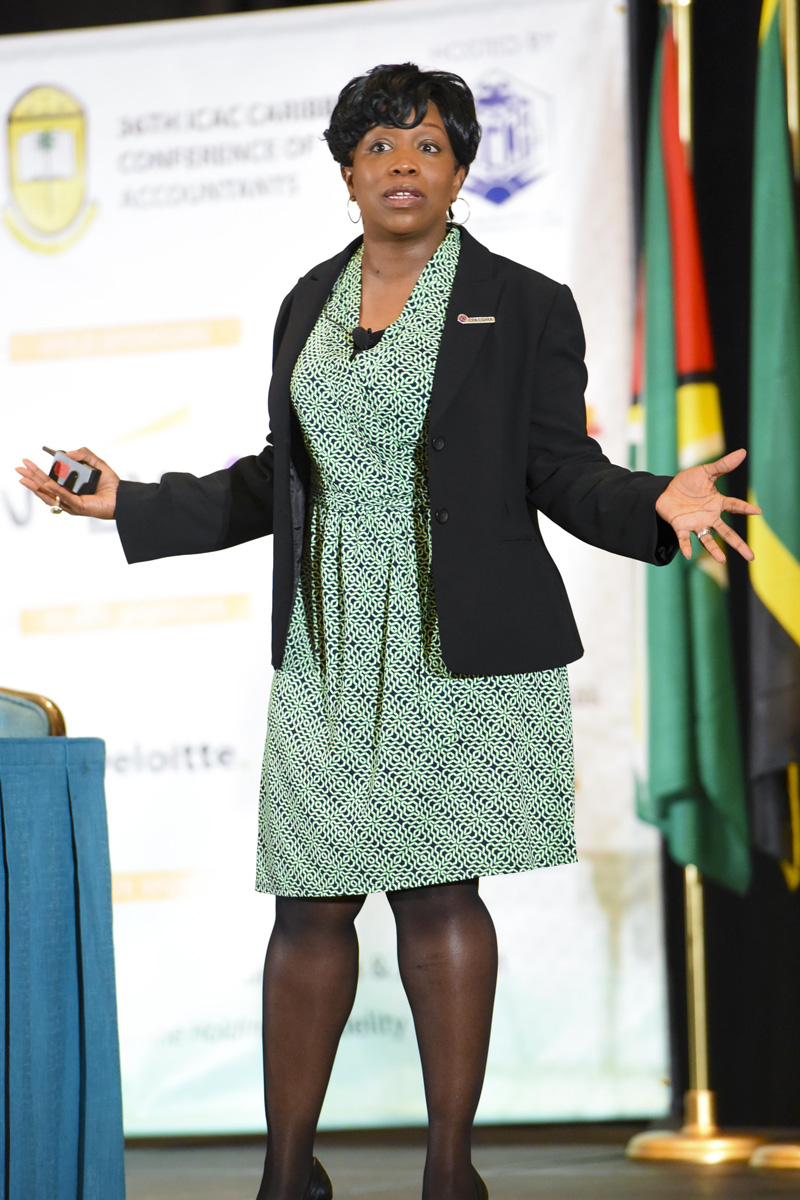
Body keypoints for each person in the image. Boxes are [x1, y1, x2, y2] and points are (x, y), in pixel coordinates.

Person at [17, 63, 759, 1200]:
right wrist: (132, 501)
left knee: (437, 894)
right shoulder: (307, 300)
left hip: (459, 642)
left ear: (460, 174)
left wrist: (653, 498)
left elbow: (557, 467)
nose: (402, 165)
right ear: (347, 173)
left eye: (427, 147)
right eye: (377, 147)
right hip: (327, 643)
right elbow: (282, 478)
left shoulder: (522, 303)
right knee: (309, 902)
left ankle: (449, 1171)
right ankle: (286, 1175)